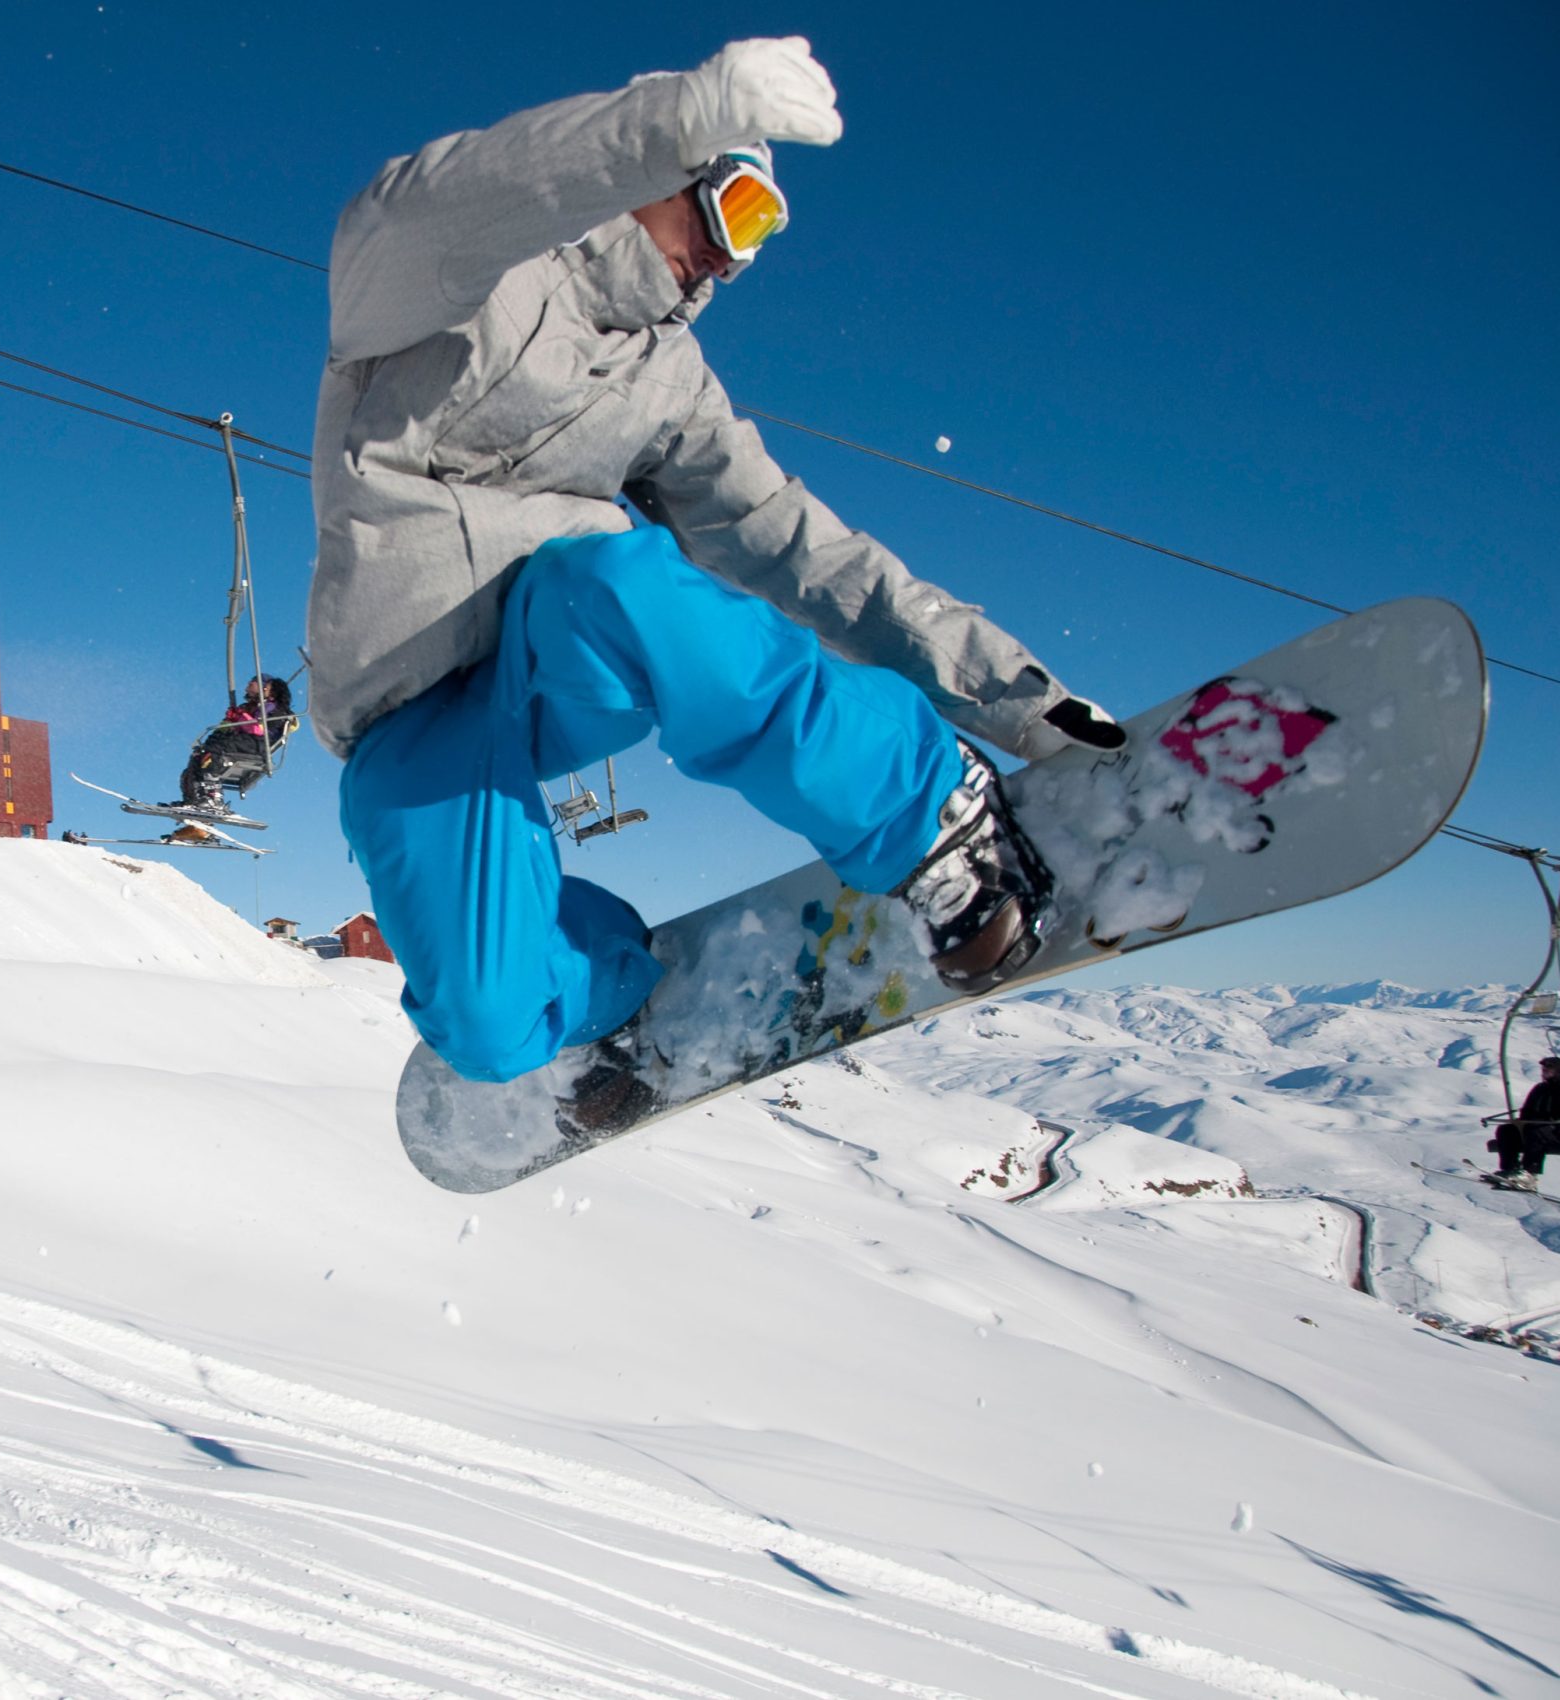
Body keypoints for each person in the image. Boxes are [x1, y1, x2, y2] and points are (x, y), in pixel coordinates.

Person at [310, 38, 1127, 1111]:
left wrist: (1013, 695)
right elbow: (438, 200)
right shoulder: (440, 277)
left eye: (763, 238)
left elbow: (799, 549)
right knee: (485, 1022)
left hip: (555, 651)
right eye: (736, 212)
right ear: (662, 172)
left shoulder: (668, 384)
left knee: (620, 586)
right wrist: (677, 111)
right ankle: (602, 993)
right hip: (400, 702)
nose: (733, 261)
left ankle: (925, 803)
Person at [176, 675, 299, 813]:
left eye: (253, 681)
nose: (248, 683)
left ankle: (213, 797)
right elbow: (228, 727)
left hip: (258, 744)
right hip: (243, 740)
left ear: (267, 688)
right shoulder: (249, 707)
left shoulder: (276, 710)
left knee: (214, 750)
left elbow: (259, 729)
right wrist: (229, 722)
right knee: (199, 755)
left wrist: (241, 717)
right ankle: (193, 798)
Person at [1487, 1056, 1560, 1192]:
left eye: (1549, 1068)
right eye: (1544, 1069)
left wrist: (1545, 1120)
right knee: (1506, 1130)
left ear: (1558, 1071)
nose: (1544, 1071)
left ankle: (1530, 1173)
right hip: (1538, 1127)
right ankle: (1510, 1169)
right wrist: (1523, 1122)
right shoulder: (1540, 1088)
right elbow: (1527, 1110)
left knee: (1535, 1131)